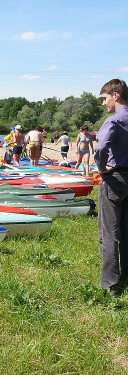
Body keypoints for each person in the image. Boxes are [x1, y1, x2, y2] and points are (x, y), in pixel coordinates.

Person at [95, 78, 128, 297]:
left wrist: (101, 168)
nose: (104, 104)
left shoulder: (114, 120)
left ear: (116, 95)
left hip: (115, 178)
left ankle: (110, 285)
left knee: (109, 234)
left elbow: (100, 148)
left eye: (105, 98)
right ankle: (125, 276)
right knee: (126, 232)